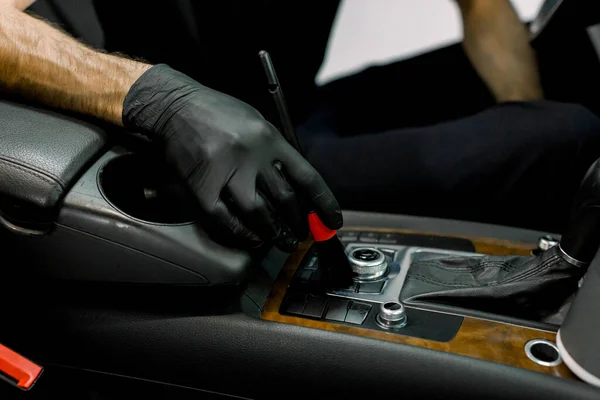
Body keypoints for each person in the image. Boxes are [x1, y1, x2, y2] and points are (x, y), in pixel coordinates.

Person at [1, 0, 599, 249]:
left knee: (563, 67)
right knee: (567, 139)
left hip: (290, 115)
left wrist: (518, 114)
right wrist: (159, 98)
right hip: (180, 147)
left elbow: (484, 9)